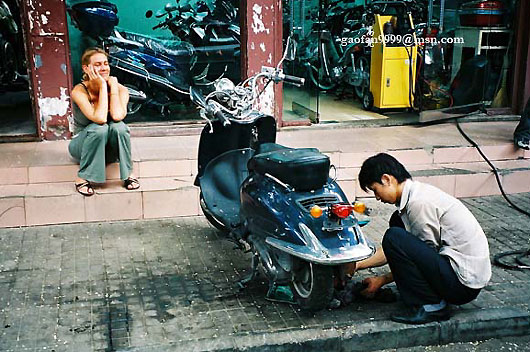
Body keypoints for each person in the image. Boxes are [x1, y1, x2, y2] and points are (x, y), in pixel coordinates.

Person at [351, 153, 491, 324]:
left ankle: (433, 307)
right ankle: (429, 298)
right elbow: (414, 254)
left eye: (375, 190)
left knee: (394, 237)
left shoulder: (419, 203)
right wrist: (371, 274)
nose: (377, 198)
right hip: (458, 274)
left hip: (463, 285)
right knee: (397, 225)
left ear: (386, 179)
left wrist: (375, 274)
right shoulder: (415, 195)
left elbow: (418, 255)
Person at [68, 47, 139, 196]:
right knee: (99, 128)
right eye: (98, 64)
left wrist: (112, 87)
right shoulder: (79, 91)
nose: (104, 68)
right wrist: (101, 86)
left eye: (106, 63)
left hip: (108, 148)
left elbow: (118, 116)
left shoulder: (121, 89)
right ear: (86, 68)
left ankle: (128, 174)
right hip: (81, 145)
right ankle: (82, 177)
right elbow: (99, 119)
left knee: (119, 127)